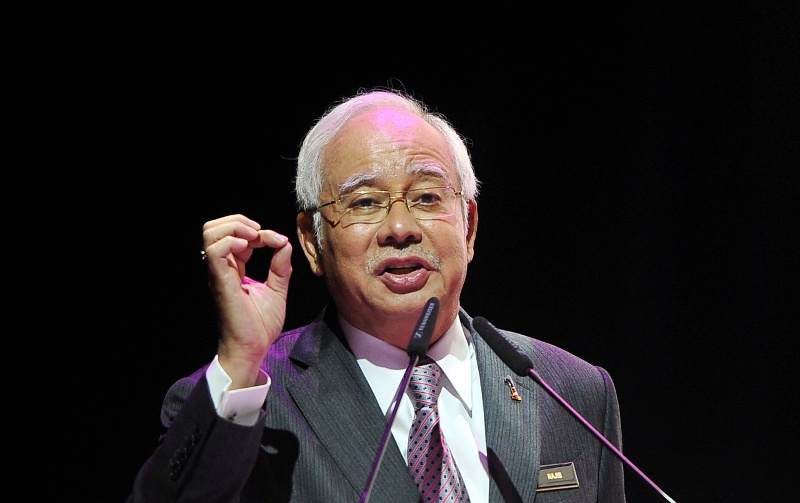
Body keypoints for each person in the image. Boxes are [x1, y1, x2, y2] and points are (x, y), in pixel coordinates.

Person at [127, 88, 626, 502]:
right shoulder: (246, 398)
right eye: (365, 202)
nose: (401, 227)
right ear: (312, 241)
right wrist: (239, 361)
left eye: (428, 197)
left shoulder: (572, 392)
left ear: (469, 227)